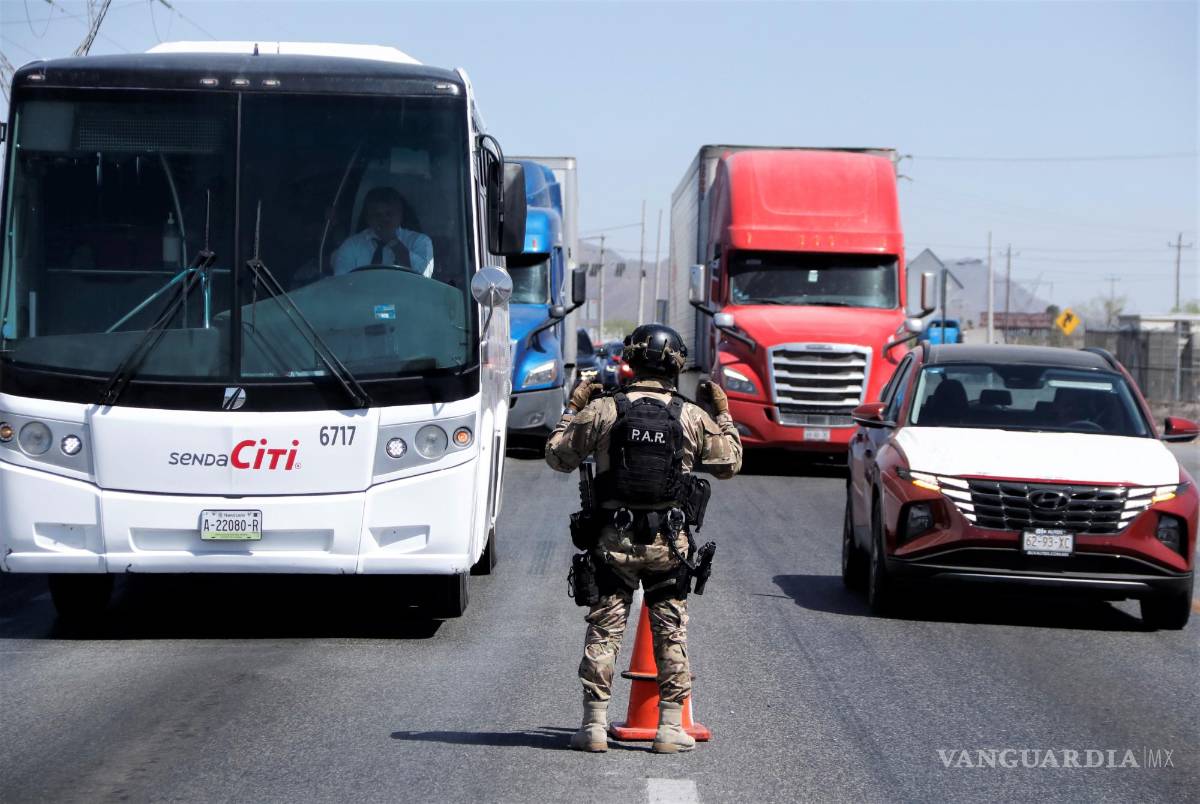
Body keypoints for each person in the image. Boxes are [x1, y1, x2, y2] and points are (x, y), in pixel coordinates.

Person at [545, 324, 743, 754]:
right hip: (668, 547)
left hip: (613, 543)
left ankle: (594, 727)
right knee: (670, 634)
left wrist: (572, 406)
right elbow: (729, 463)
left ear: (630, 361)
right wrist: (723, 413)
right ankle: (670, 729)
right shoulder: (691, 415)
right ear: (677, 366)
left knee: (604, 633)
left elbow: (558, 456)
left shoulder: (603, 410)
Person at [330, 186, 434, 278]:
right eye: (377, 215)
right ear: (367, 217)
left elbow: (424, 277)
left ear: (400, 214)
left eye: (389, 214)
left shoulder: (420, 241)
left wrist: (393, 242)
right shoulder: (351, 245)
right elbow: (341, 283)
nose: (384, 220)